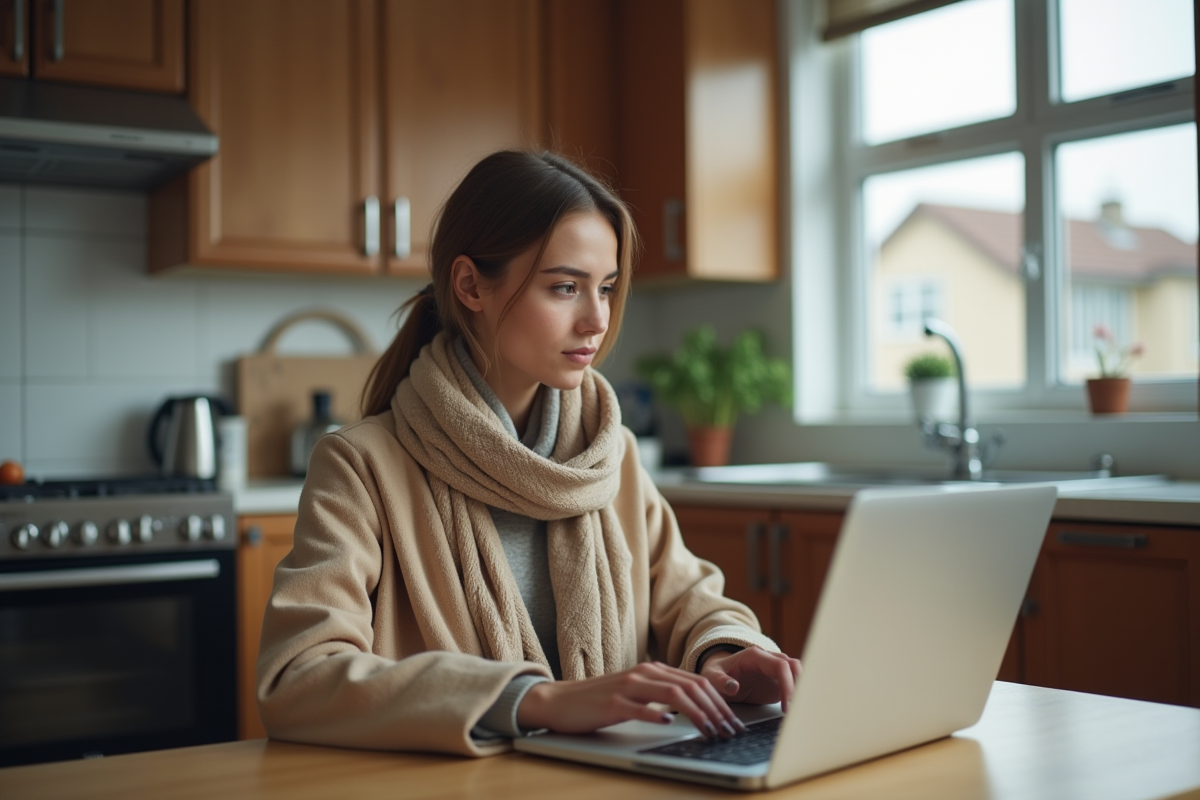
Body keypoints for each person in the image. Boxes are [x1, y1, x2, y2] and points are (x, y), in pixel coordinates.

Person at [256, 150, 802, 756]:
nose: (597, 319)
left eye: (608, 288)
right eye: (565, 287)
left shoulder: (608, 453)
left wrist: (730, 656)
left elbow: (686, 599)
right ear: (470, 286)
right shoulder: (361, 466)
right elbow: (298, 678)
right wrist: (534, 700)